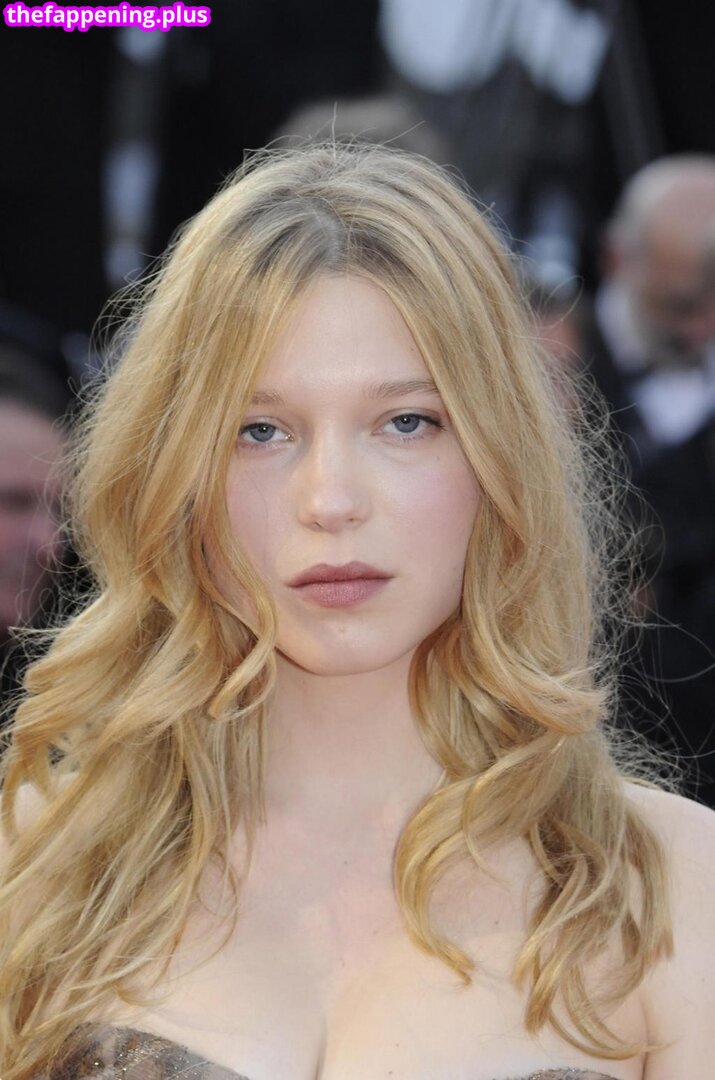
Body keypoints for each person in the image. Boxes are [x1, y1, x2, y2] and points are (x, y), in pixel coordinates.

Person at [0, 143, 713, 1080]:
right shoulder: (34, 859)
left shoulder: (671, 886)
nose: (330, 500)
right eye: (260, 431)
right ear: (176, 475)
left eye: (405, 422)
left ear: (500, 456)